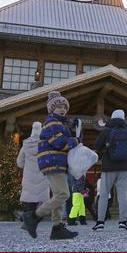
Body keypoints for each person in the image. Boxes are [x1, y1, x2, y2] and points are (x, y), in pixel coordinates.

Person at [20, 91, 78, 240]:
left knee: (58, 194)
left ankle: (57, 227)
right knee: (63, 194)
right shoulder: (52, 122)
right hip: (53, 161)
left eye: (65, 107)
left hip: (56, 162)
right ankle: (33, 216)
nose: (63, 109)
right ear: (52, 109)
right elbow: (60, 143)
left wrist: (75, 132)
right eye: (59, 106)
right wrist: (74, 140)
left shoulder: (60, 124)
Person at [93, 109, 127, 231]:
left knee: (104, 194)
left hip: (108, 167)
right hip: (124, 167)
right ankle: (123, 222)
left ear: (112, 117)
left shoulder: (107, 131)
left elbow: (97, 146)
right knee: (123, 195)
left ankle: (100, 222)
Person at [17, 122, 50, 217]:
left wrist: (27, 166)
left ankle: (28, 217)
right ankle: (37, 216)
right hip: (42, 176)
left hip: (29, 177)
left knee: (30, 200)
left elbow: (19, 163)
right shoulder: (46, 144)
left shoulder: (26, 145)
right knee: (41, 200)